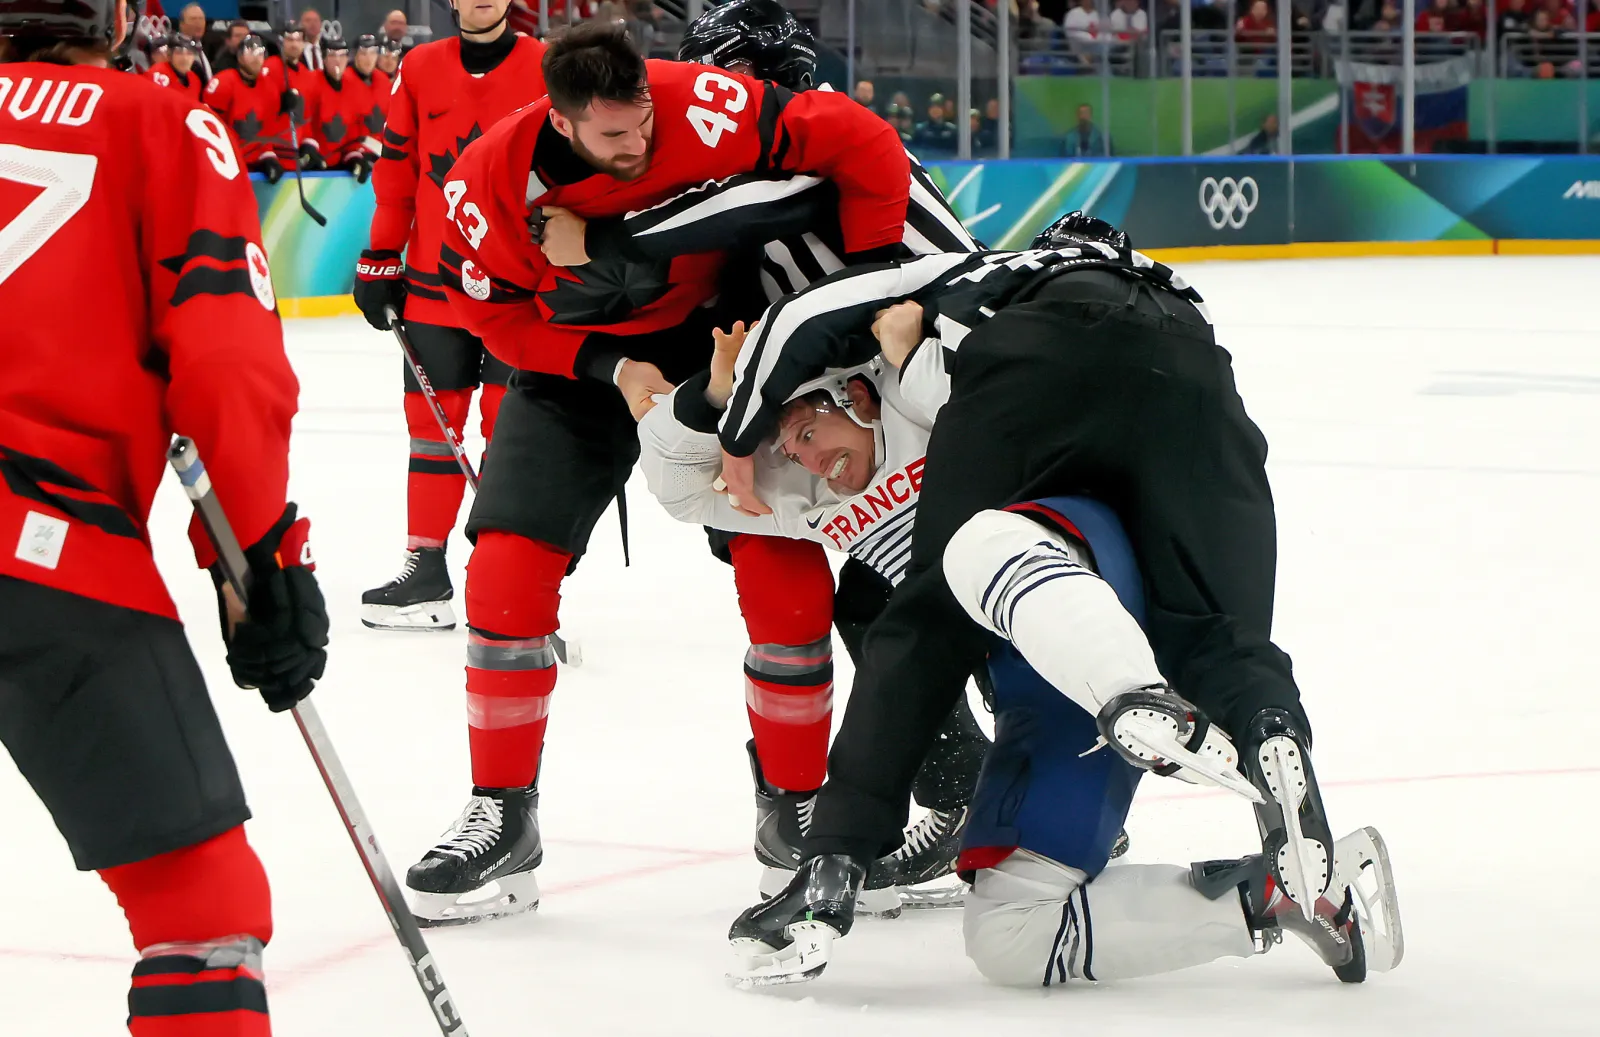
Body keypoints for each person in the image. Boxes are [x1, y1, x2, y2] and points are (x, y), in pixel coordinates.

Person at [709, 213, 1359, 984]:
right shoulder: (1176, 293)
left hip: (1039, 366)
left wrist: (739, 424)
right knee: (1224, 635)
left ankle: (838, 861)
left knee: (930, 614)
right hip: (1195, 380)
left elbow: (801, 317)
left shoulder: (985, 273)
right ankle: (1272, 744)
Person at [405, 18, 914, 926]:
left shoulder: (703, 102)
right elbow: (492, 322)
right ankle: (503, 813)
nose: (639, 144)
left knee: (785, 578)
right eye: (612, 136)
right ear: (561, 123)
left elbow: (867, 142)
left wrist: (868, 284)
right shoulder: (480, 187)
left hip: (716, 350)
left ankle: (794, 813)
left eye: (643, 121)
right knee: (505, 573)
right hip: (572, 372)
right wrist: (610, 369)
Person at [562, 0, 993, 908]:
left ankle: (1007, 792)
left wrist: (603, 236)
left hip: (965, 386)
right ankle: (977, 790)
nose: (715, 111)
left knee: (950, 594)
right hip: (914, 404)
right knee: (901, 601)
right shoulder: (760, 188)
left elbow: (766, 204)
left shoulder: (826, 150)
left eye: (730, 86)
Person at [0, 1, 330, 1033]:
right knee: (200, 905)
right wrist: (257, 560)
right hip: (41, 544)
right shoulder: (156, 118)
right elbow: (227, 361)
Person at [351, 0, 547, 631]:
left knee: (507, 428)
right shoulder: (421, 66)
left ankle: (504, 576)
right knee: (431, 427)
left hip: (517, 285)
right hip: (434, 286)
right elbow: (396, 172)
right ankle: (426, 569)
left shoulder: (546, 65)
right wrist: (381, 257)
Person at [205, 34, 303, 182]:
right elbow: (210, 130)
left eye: (260, 53)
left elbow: (267, 132)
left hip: (254, 162)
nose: (256, 58)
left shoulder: (269, 87)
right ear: (239, 57)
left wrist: (267, 157)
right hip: (226, 163)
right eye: (251, 52)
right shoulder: (223, 82)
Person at [314, 37, 387, 180]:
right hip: (322, 162)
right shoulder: (329, 82)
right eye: (363, 53)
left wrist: (354, 155)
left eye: (372, 53)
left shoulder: (383, 82)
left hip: (364, 155)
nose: (368, 59)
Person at [267, 24, 324, 170]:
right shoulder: (270, 68)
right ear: (282, 42)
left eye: (298, 40)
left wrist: (308, 143)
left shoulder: (307, 75)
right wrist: (278, 104)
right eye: (289, 40)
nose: (294, 44)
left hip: (296, 155)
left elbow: (306, 117)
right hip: (275, 155)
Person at [148, 32, 204, 99]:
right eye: (179, 53)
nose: (185, 58)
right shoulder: (158, 72)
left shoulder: (195, 80)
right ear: (169, 55)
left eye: (189, 53)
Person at [173, 1, 212, 80]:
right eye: (193, 19)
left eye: (201, 19)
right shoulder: (176, 49)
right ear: (181, 24)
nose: (198, 23)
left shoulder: (199, 47)